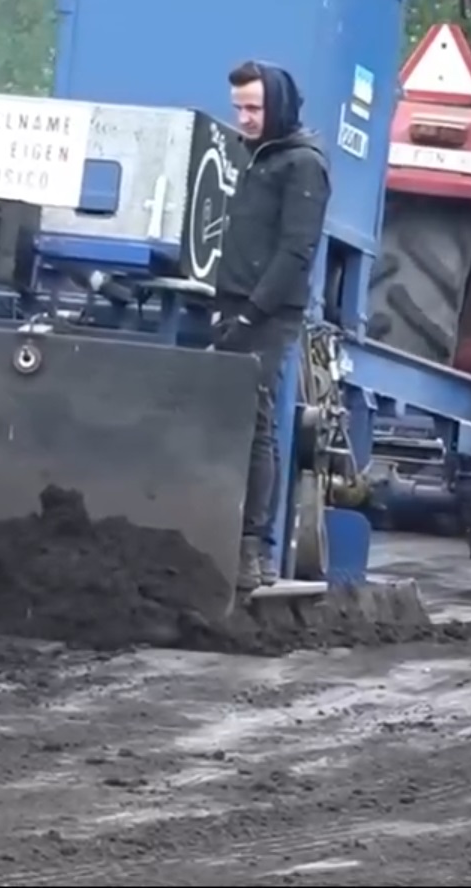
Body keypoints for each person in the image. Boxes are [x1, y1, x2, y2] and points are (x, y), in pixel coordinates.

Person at [214, 59, 331, 593]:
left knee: (256, 424)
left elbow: (296, 252)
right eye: (238, 107)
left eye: (254, 108)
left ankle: (252, 548)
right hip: (235, 303)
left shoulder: (303, 165)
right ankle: (236, 543)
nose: (244, 118)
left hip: (267, 314)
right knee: (238, 421)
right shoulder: (256, 155)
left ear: (278, 105)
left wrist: (251, 314)